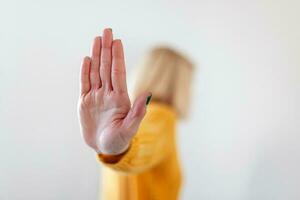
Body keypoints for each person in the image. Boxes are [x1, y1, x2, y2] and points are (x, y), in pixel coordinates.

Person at [78, 28, 194, 200]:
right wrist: (120, 151)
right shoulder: (162, 116)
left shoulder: (122, 123)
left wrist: (116, 152)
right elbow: (144, 146)